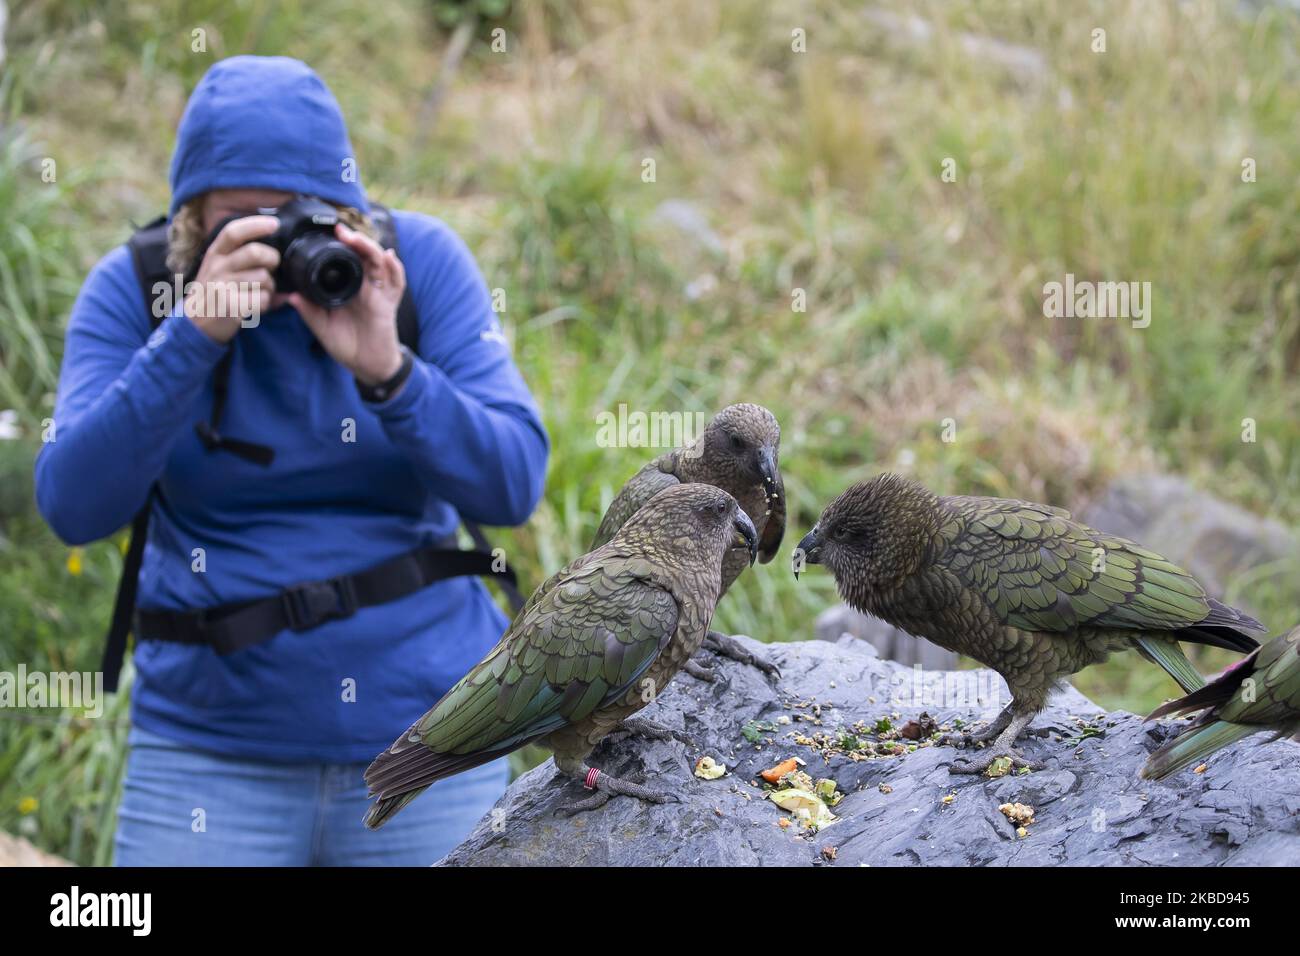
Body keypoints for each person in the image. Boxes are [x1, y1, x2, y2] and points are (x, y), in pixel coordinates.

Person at [34, 55, 549, 865]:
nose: (277, 247)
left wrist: (390, 371)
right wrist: (190, 338)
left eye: (299, 220)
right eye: (245, 223)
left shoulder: (416, 270)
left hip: (428, 735)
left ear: (349, 211)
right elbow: (72, 504)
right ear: (191, 221)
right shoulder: (138, 289)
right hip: (209, 745)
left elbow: (514, 482)